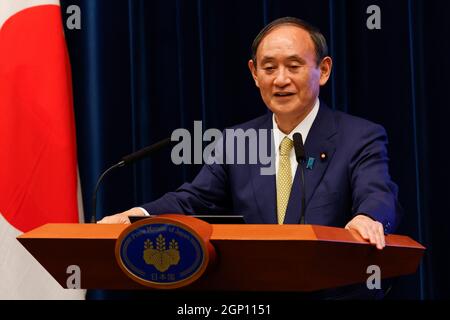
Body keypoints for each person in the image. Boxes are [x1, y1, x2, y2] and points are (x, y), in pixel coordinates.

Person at [99, 17, 401, 261]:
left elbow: (377, 193)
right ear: (254, 74)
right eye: (269, 68)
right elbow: (192, 199)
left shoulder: (359, 136)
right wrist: (138, 215)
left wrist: (368, 217)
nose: (280, 79)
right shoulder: (237, 141)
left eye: (294, 66)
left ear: (323, 70)